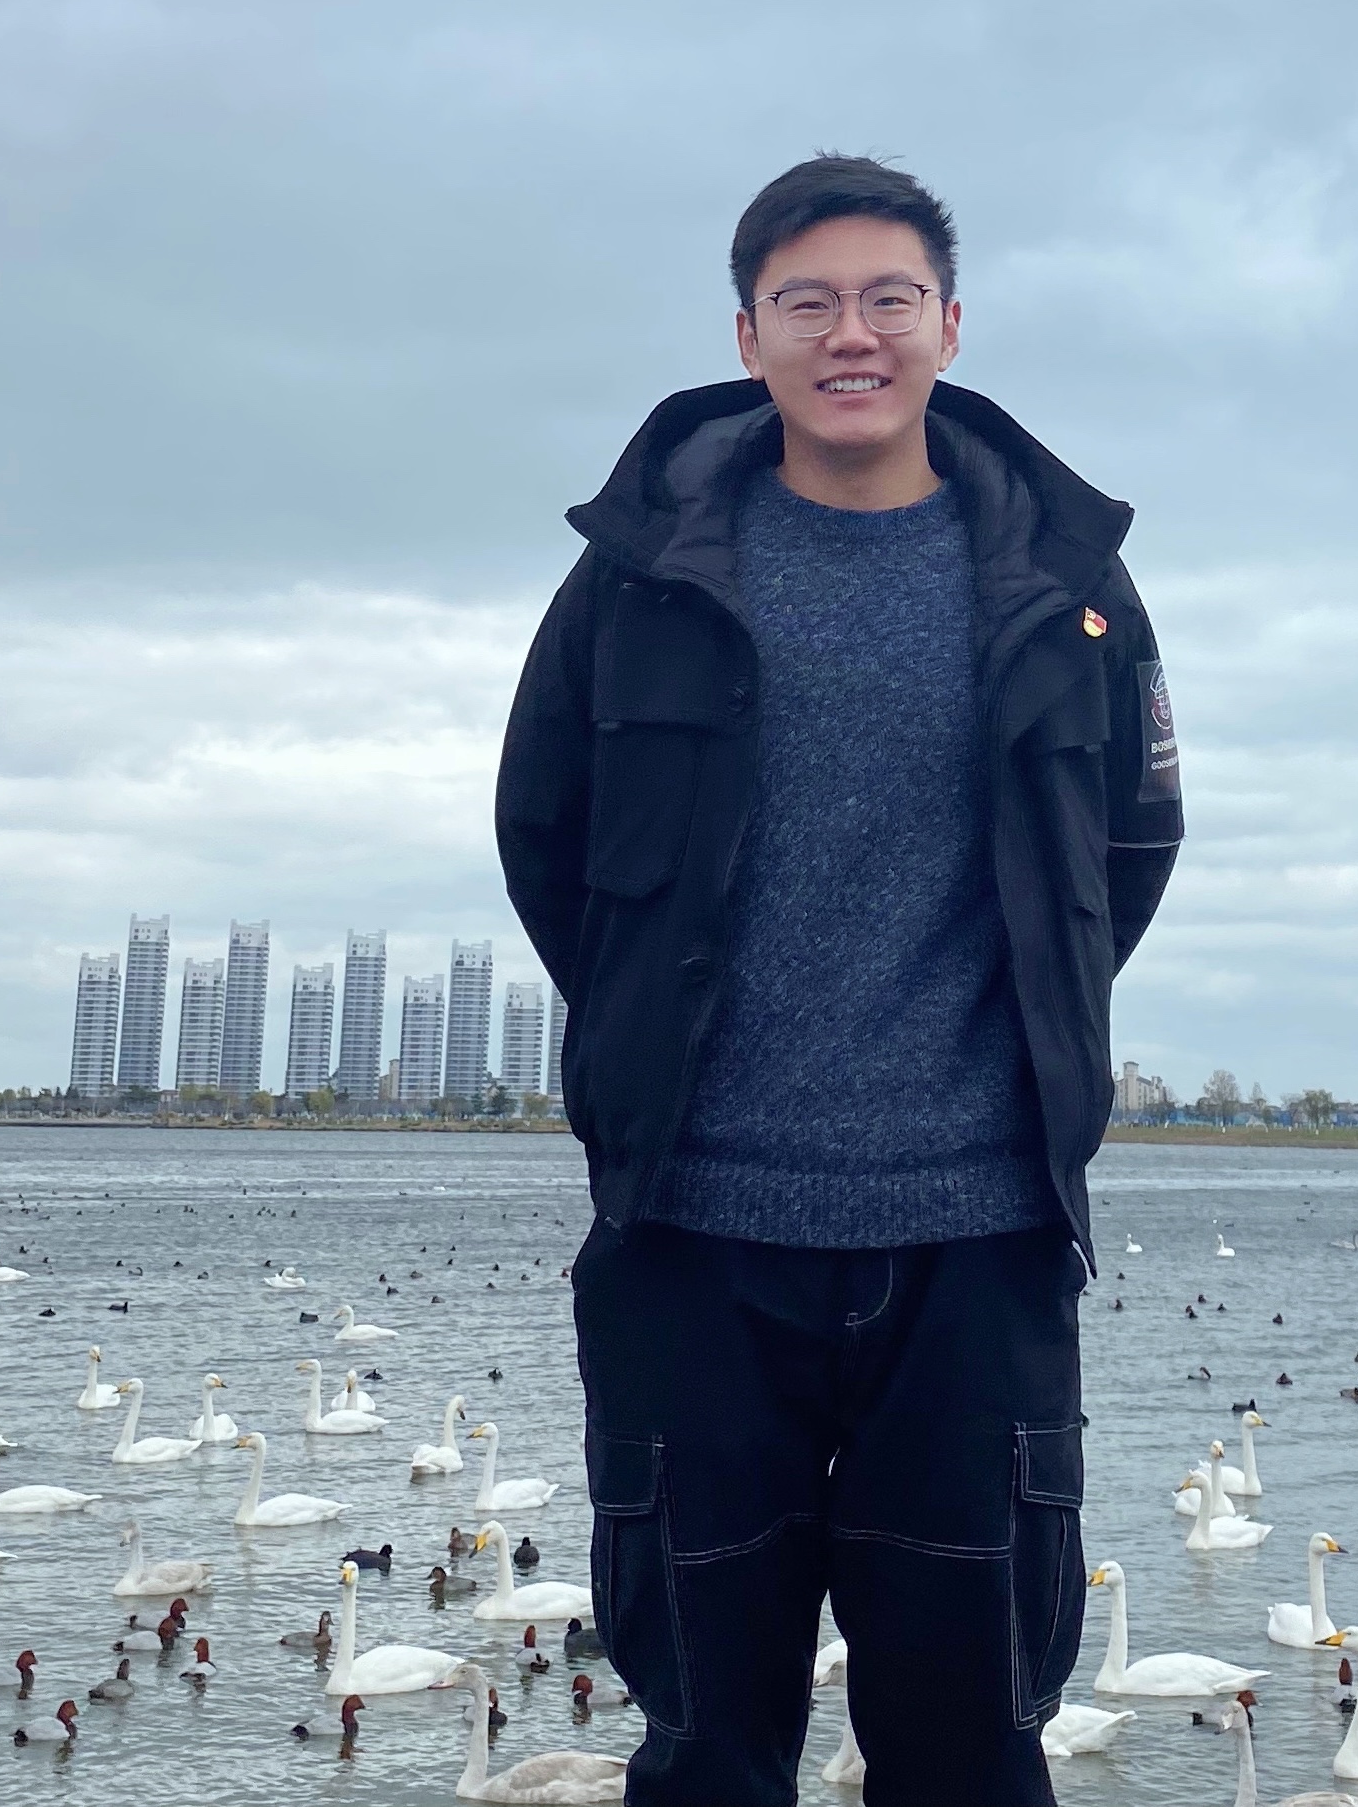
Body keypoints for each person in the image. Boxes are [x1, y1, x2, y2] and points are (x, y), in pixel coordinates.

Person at [496, 154, 1182, 1806]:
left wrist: (1009, 1035)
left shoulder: (1070, 589)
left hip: (977, 1242)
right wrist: (666, 1045)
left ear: (951, 325)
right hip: (693, 1237)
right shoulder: (639, 576)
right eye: (807, 303)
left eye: (889, 299)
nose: (851, 334)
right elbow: (546, 837)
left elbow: (1128, 849)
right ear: (749, 337)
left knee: (972, 1747)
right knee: (707, 1747)